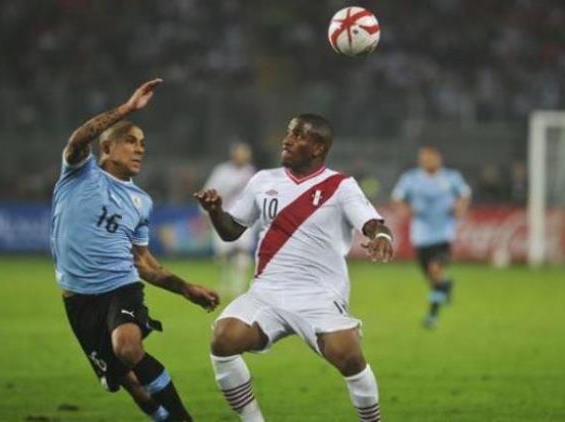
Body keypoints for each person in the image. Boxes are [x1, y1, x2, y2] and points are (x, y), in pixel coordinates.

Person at [195, 114, 393, 422]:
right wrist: (215, 212)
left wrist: (381, 236)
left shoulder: (340, 186)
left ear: (318, 147)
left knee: (349, 356)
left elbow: (372, 223)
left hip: (319, 295)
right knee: (224, 338)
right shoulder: (263, 180)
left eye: (298, 135)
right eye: (289, 133)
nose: (287, 140)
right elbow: (232, 231)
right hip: (267, 292)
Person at [50, 78, 219, 421]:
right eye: (130, 141)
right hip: (78, 299)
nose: (140, 149)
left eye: (142, 144)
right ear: (107, 147)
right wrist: (127, 109)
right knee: (127, 382)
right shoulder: (80, 174)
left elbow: (143, 262)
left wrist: (186, 288)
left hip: (120, 287)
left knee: (127, 347)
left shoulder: (141, 201)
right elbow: (79, 138)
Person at [391, 146, 471, 328]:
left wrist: (460, 207)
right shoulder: (411, 178)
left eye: (431, 158)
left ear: (439, 159)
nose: (428, 161)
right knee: (433, 279)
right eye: (424, 158)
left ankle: (432, 316)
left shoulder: (451, 177)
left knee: (435, 270)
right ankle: (445, 285)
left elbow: (465, 194)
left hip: (444, 234)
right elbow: (397, 197)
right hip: (421, 236)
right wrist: (405, 209)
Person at [202, 142, 256, 296]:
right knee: (222, 255)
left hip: (244, 218)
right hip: (222, 216)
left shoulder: (251, 173)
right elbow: (209, 191)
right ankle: (224, 283)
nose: (242, 157)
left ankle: (238, 286)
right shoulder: (222, 172)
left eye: (245, 155)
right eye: (240, 154)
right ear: (233, 155)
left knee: (243, 252)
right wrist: (206, 212)